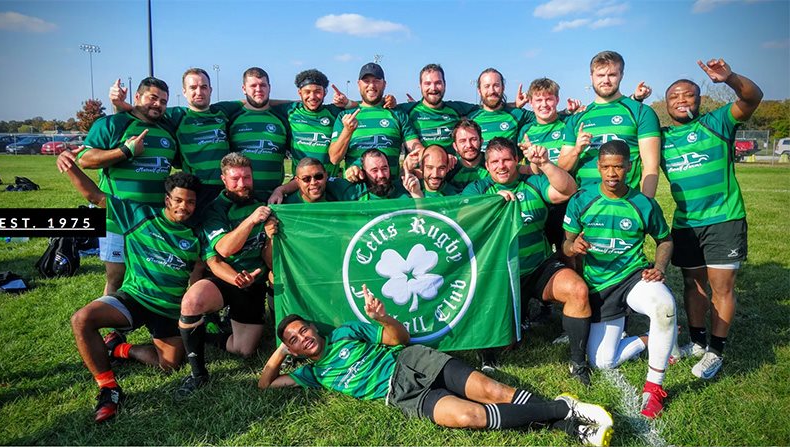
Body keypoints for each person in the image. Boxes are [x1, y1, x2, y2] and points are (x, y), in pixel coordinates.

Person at [258, 285, 614, 447]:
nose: (303, 337)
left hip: (413, 361)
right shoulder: (312, 373)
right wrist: (278, 351)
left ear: (312, 328)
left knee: (494, 391)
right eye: (294, 339)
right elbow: (265, 386)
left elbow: (398, 339)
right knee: (470, 417)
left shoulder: (344, 333)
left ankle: (564, 418)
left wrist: (383, 318)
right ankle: (563, 412)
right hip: (400, 395)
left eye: (303, 329)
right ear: (294, 350)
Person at [61, 151, 202, 422]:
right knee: (82, 319)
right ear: (167, 200)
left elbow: (197, 275)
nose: (184, 206)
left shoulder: (196, 235)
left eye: (191, 202)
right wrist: (69, 166)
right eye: (179, 200)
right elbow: (94, 196)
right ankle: (109, 388)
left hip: (169, 309)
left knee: (169, 365)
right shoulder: (138, 215)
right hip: (134, 298)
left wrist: (190, 314)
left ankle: (119, 349)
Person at [660, 58, 762, 379]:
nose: (680, 100)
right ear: (666, 104)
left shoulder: (717, 123)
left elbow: (752, 98)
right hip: (686, 223)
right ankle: (698, 341)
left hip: (724, 220)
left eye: (687, 95)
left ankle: (716, 351)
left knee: (722, 287)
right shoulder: (660, 139)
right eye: (674, 96)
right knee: (693, 284)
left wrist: (729, 77)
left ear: (699, 100)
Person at [461, 138, 592, 385]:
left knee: (578, 290)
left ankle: (578, 362)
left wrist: (545, 164)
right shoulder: (478, 190)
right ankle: (489, 355)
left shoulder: (533, 183)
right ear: (487, 166)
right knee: (509, 343)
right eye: (495, 162)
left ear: (516, 161)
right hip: (499, 277)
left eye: (507, 160)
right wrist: (491, 203)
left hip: (537, 268)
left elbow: (568, 190)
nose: (502, 166)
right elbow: (463, 215)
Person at [563, 140, 677, 418]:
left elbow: (665, 240)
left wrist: (660, 266)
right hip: (600, 286)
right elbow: (565, 243)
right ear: (598, 167)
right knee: (603, 362)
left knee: (664, 308)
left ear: (629, 166)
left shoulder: (643, 203)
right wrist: (573, 247)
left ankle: (654, 390)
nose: (612, 173)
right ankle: (650, 339)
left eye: (618, 167)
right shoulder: (582, 199)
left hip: (633, 277)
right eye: (606, 167)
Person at [176, 152, 275, 397]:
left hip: (254, 282)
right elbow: (221, 251)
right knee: (192, 301)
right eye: (235, 179)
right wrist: (251, 221)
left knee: (243, 351)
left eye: (247, 178)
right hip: (225, 277)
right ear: (223, 179)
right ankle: (198, 374)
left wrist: (272, 236)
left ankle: (211, 336)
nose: (242, 184)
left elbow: (270, 258)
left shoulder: (265, 201)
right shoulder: (215, 209)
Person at [77, 77, 178, 296]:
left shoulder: (168, 129)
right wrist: (125, 150)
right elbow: (85, 159)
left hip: (153, 217)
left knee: (151, 272)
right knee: (117, 276)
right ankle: (114, 329)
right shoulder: (112, 124)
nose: (158, 104)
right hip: (116, 215)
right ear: (137, 97)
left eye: (163, 101)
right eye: (153, 98)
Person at [109, 68, 243, 207]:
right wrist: (118, 105)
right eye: (193, 87)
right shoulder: (176, 115)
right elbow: (145, 112)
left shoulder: (223, 110)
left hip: (226, 188)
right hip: (196, 190)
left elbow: (252, 102)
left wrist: (267, 102)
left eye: (203, 87)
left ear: (210, 90)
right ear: (184, 92)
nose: (199, 92)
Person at [558, 51, 661, 199]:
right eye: (600, 75)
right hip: (585, 204)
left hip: (626, 203)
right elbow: (563, 168)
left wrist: (644, 206)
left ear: (621, 75)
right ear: (591, 77)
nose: (606, 80)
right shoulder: (576, 119)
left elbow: (651, 167)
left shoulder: (641, 112)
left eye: (612, 75)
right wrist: (576, 150)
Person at [328, 63, 424, 177]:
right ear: (359, 84)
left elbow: (414, 145)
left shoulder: (398, 114)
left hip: (390, 190)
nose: (371, 85)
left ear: (384, 84)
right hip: (356, 191)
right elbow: (334, 158)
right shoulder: (345, 116)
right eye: (366, 81)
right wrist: (348, 131)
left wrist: (420, 154)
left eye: (376, 80)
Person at [227, 67, 291, 202]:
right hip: (240, 198)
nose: (258, 89)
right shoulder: (232, 119)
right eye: (253, 85)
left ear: (269, 87)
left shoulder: (282, 119)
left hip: (274, 198)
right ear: (244, 88)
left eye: (263, 85)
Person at [271, 69, 351, 177]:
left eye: (317, 91)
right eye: (307, 92)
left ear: (325, 92)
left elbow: (364, 106)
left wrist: (348, 103)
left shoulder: (335, 112)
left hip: (329, 183)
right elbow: (264, 104)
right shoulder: (290, 111)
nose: (312, 97)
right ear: (300, 93)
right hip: (301, 184)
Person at [395, 64, 477, 154]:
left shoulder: (457, 109)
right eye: (428, 83)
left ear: (444, 85)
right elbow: (382, 107)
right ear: (420, 86)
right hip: (420, 167)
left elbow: (486, 108)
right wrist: (387, 100)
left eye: (438, 83)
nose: (433, 88)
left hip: (452, 167)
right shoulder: (407, 110)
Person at [443, 118, 490, 192]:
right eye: (462, 141)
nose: (469, 145)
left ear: (481, 141)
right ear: (455, 146)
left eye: (473, 139)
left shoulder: (493, 164)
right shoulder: (449, 169)